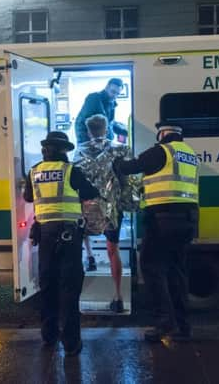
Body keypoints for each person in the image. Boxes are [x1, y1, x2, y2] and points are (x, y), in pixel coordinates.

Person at [114, 121, 199, 342]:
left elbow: (129, 167)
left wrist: (115, 160)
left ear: (162, 133)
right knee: (177, 272)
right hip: (187, 220)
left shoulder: (161, 151)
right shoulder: (189, 153)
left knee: (152, 269)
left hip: (163, 221)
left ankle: (164, 323)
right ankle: (182, 326)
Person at [23, 131, 99, 356]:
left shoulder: (34, 171)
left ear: (46, 150)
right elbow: (90, 192)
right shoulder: (71, 171)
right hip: (69, 235)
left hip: (45, 234)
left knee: (47, 284)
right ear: (64, 150)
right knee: (69, 286)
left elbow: (28, 197)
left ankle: (49, 336)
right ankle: (72, 344)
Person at [74, 114, 132, 313]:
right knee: (112, 250)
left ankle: (89, 257)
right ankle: (118, 296)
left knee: (82, 236)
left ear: (89, 130)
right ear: (106, 129)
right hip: (113, 209)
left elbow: (76, 182)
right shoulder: (120, 148)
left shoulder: (79, 152)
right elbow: (129, 180)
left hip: (88, 207)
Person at [74, 78, 123, 144]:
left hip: (102, 142)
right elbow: (88, 123)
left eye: (118, 94)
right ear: (107, 87)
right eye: (113, 92)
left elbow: (109, 123)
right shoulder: (94, 98)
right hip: (89, 142)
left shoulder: (111, 103)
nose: (115, 96)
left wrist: (126, 131)